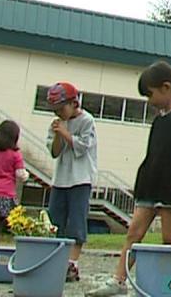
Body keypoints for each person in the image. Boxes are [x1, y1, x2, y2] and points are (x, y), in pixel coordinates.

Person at [89, 60, 171, 296]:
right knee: (134, 232)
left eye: (150, 94)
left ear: (166, 88)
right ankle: (118, 280)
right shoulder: (160, 120)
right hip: (150, 185)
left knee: (170, 236)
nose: (149, 100)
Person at [45, 81, 98, 283]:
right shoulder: (57, 124)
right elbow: (54, 152)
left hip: (80, 179)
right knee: (55, 221)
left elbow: (84, 146)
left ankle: (72, 263)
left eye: (61, 108)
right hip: (60, 180)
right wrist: (59, 134)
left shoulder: (87, 121)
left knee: (76, 222)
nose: (58, 113)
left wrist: (66, 133)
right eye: (55, 110)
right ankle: (55, 260)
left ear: (74, 103)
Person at [0, 120, 28, 246]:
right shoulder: (15, 155)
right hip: (6, 193)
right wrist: (26, 175)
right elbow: (20, 174)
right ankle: (23, 243)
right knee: (15, 219)